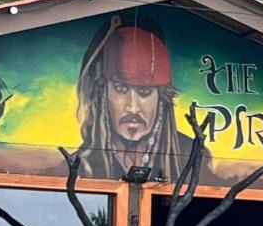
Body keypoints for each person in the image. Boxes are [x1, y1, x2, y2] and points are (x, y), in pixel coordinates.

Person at [75, 14, 207, 180]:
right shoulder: (78, 164)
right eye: (120, 89)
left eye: (144, 92)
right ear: (103, 93)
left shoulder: (194, 156)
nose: (133, 107)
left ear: (162, 97)